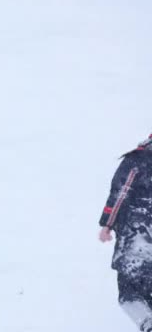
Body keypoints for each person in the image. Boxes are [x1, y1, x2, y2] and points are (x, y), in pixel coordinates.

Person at [99, 134, 152, 331]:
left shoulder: (137, 160)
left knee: (130, 295)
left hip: (139, 237)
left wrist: (108, 224)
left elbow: (121, 192)